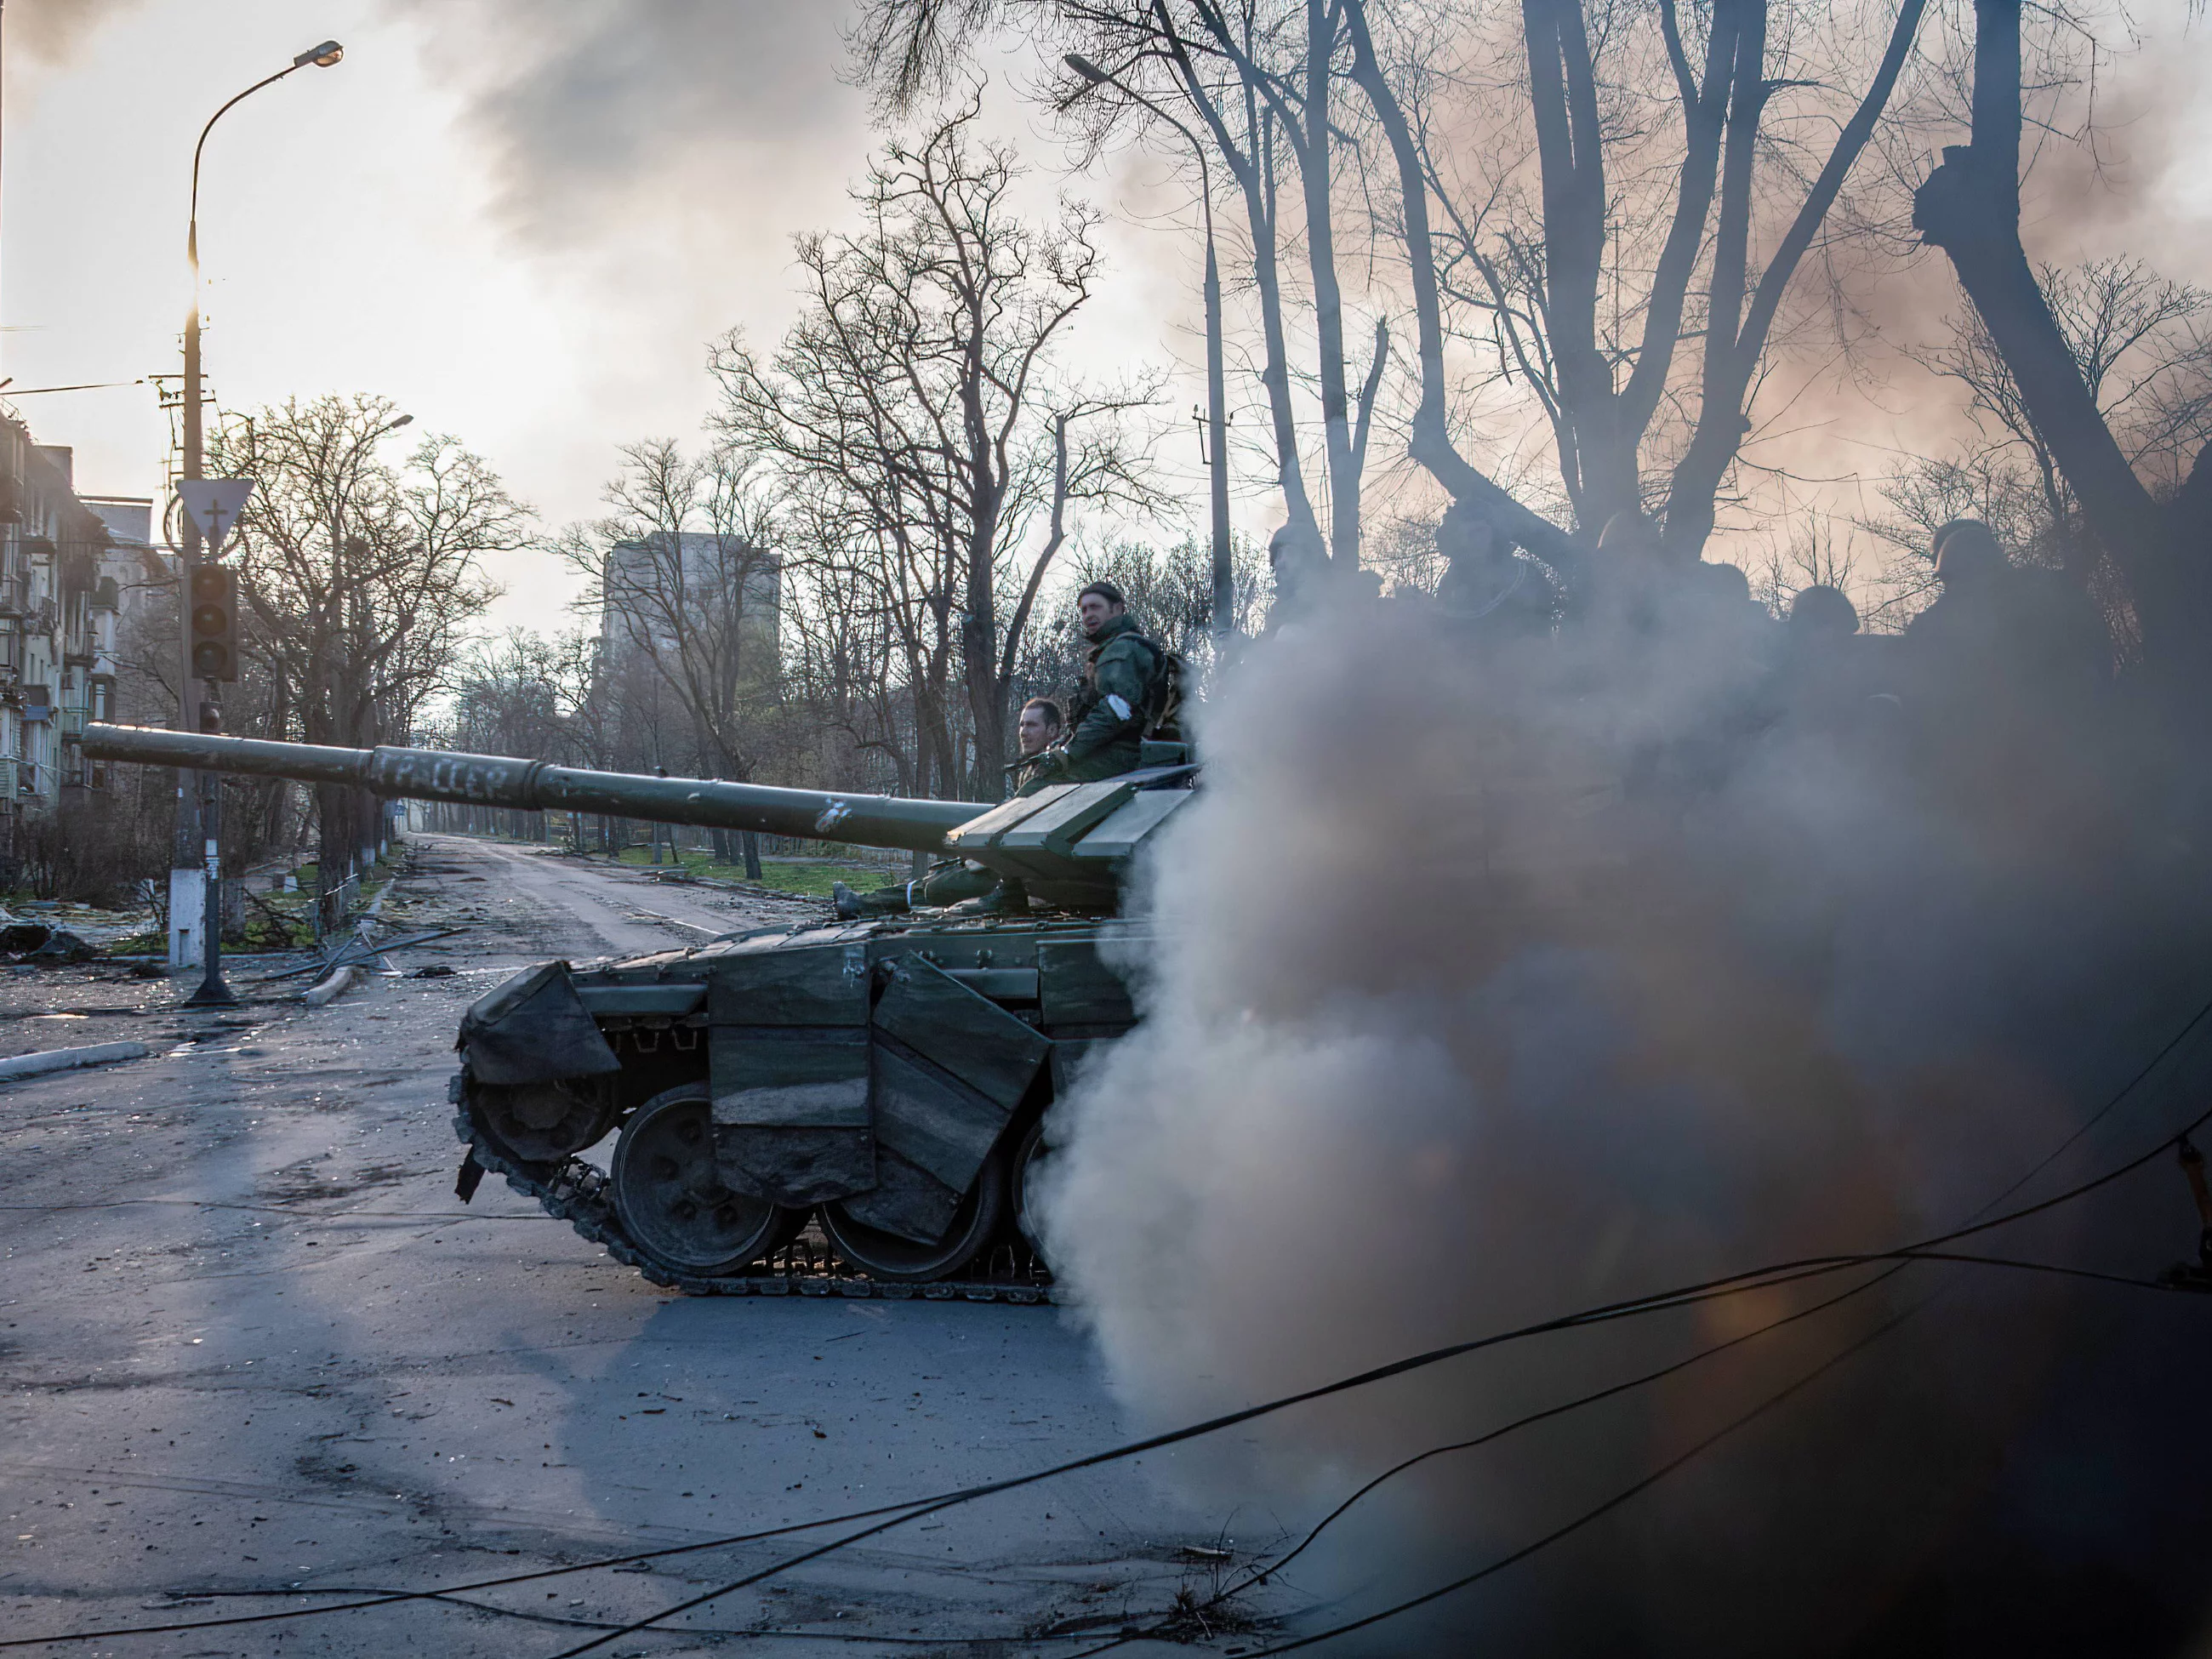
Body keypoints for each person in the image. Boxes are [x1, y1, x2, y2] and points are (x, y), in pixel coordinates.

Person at [832, 698, 1065, 919]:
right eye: (1022, 725)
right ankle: (863, 902)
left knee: (940, 886)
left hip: (1026, 879)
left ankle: (863, 904)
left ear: (1053, 730)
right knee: (939, 877)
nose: (1024, 732)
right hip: (1010, 869)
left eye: (1032, 725)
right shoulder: (1035, 767)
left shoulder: (1056, 770)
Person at [1023, 580, 1170, 787]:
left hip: (1124, 753)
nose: (1087, 615)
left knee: (1038, 787)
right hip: (1111, 750)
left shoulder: (1123, 650)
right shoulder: (1111, 649)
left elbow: (1115, 711)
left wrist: (1068, 753)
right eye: (1083, 610)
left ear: (1117, 609)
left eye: (1095, 607)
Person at [1434, 498, 1558, 643]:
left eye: (1479, 531)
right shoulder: (1450, 584)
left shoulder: (1525, 575)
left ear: (1494, 532)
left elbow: (1540, 630)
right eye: (1465, 535)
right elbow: (1444, 636)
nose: (1473, 540)